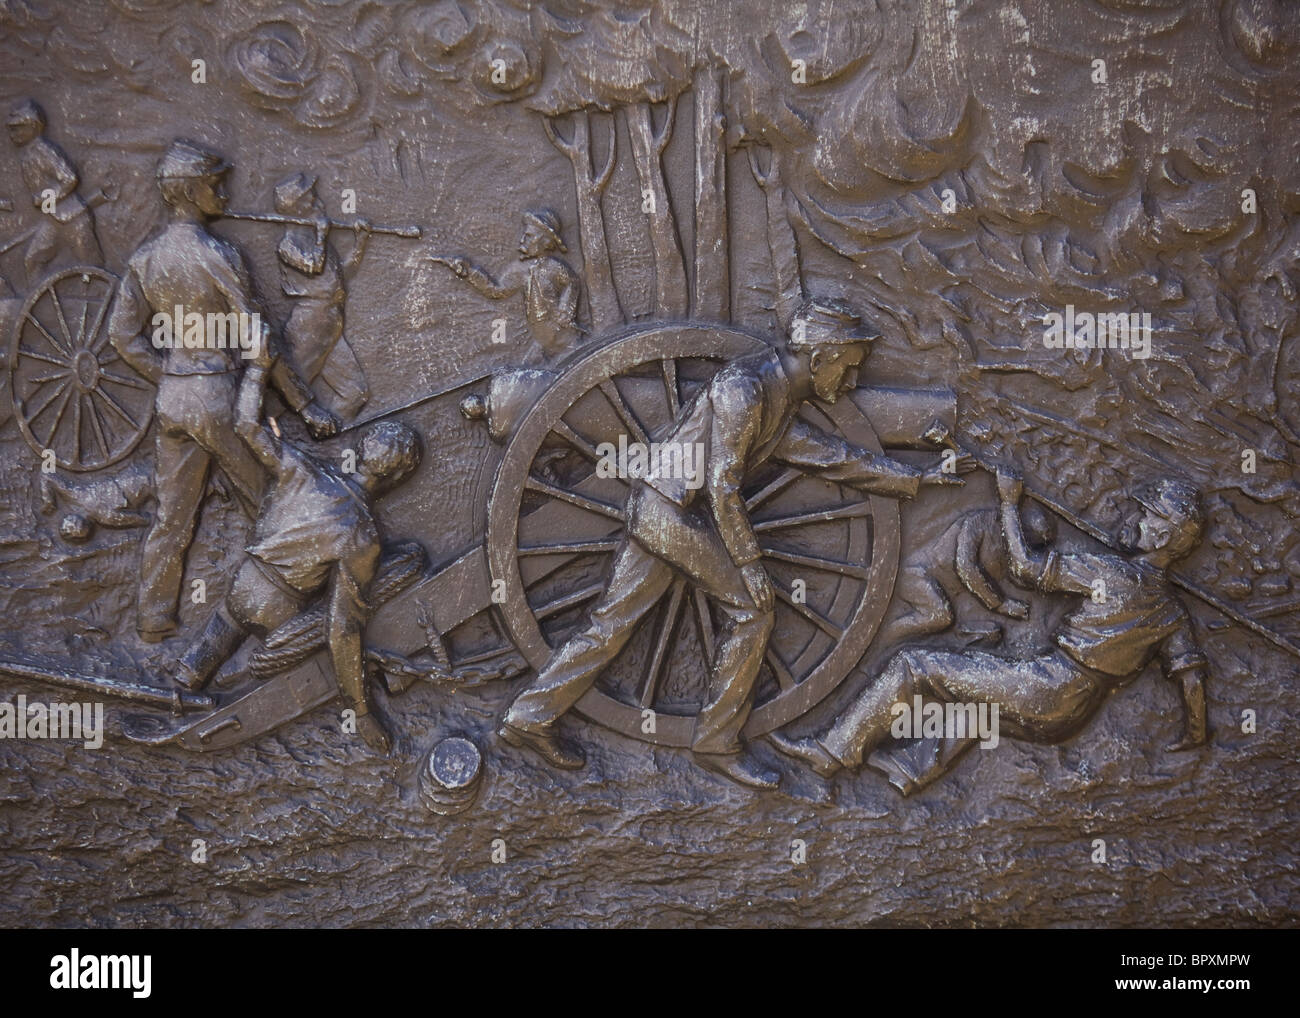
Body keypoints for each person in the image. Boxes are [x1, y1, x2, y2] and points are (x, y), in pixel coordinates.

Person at [499, 297, 973, 788]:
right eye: (849, 368)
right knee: (752, 612)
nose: (850, 382)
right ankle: (716, 742)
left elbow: (831, 457)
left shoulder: (774, 398)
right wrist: (748, 565)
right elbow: (722, 486)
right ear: (821, 359)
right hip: (674, 514)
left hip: (665, 512)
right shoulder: (743, 390)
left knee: (609, 626)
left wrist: (917, 479)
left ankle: (527, 718)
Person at [771, 471, 1210, 786]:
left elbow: (1025, 568)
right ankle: (907, 771)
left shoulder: (1111, 573)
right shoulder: (1171, 611)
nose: (1134, 521)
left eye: (1148, 518)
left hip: (1050, 686)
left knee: (916, 666)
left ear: (1165, 537)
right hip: (1074, 713)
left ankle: (832, 751)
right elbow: (1191, 680)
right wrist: (1195, 737)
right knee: (973, 709)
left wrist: (1007, 502)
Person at [107, 138, 340, 642]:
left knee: (171, 518)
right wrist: (305, 405)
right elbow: (259, 336)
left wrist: (169, 376)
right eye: (215, 186)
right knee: (272, 502)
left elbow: (121, 336)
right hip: (218, 399)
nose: (225, 194)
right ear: (190, 192)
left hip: (174, 401)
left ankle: (153, 620)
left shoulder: (146, 260)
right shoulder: (218, 255)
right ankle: (287, 612)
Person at [172, 338, 422, 753]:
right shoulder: (362, 538)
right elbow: (343, 628)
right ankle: (231, 689)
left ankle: (185, 683)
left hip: (241, 590)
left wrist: (257, 370)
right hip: (280, 614)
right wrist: (360, 711)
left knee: (206, 652)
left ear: (360, 450)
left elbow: (246, 427)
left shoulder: (302, 469)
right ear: (397, 480)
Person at [274, 172, 370, 419]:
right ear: (298, 208)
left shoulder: (319, 241)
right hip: (310, 325)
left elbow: (341, 274)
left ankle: (330, 442)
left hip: (331, 322)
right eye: (311, 199)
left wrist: (360, 241)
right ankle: (269, 441)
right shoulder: (288, 245)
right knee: (291, 395)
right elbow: (313, 266)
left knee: (355, 393)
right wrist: (321, 235)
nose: (318, 203)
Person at [891, 503, 1055, 644]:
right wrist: (1000, 604)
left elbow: (1018, 577)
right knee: (940, 616)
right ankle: (891, 636)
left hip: (949, 594)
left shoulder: (1009, 554)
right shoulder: (979, 522)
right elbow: (966, 566)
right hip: (918, 575)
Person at [432, 208, 580, 362]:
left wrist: (565, 309)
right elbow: (496, 291)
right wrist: (468, 272)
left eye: (529, 236)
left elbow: (573, 282)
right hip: (541, 340)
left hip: (563, 337)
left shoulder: (554, 267)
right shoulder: (519, 271)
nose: (522, 239)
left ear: (546, 242)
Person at [6, 99, 101, 283]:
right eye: (11, 128)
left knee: (92, 270)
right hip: (53, 221)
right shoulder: (27, 154)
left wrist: (45, 198)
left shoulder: (44, 151)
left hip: (74, 220)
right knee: (33, 260)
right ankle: (42, 304)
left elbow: (69, 178)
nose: (13, 133)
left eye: (18, 127)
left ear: (34, 126)